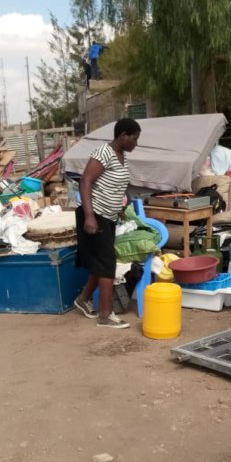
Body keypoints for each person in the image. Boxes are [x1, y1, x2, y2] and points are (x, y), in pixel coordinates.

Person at [73, 118, 141, 329]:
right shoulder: (104, 152)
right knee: (107, 263)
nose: (136, 143)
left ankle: (83, 299)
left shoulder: (122, 156)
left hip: (108, 216)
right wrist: (90, 215)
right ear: (123, 136)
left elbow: (113, 186)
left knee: (100, 262)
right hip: (95, 215)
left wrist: (118, 210)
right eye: (134, 138)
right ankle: (105, 314)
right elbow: (86, 181)